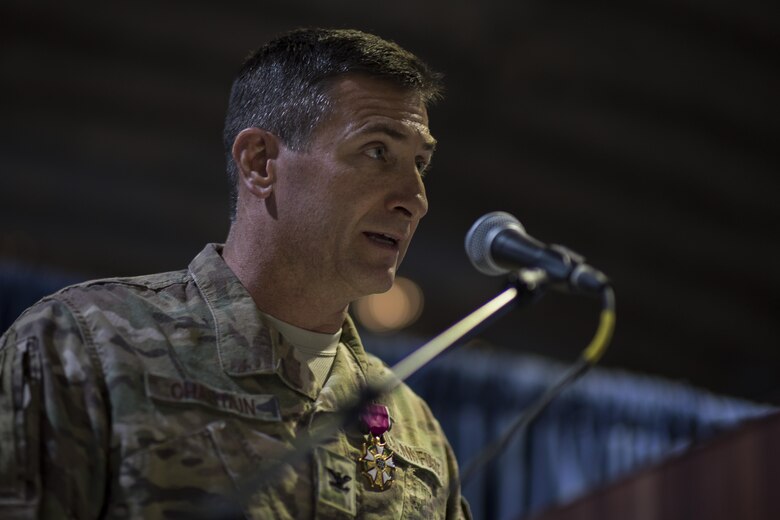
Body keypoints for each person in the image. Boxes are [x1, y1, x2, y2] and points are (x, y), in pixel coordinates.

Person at [0, 28, 471, 519]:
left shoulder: (415, 427)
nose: (415, 200)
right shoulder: (83, 345)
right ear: (260, 162)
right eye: (377, 152)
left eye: (420, 163)